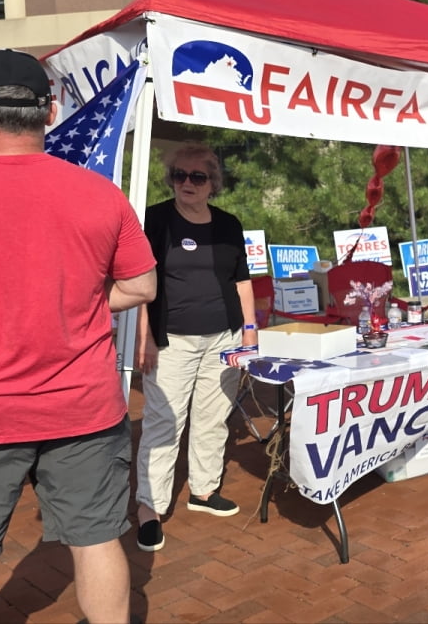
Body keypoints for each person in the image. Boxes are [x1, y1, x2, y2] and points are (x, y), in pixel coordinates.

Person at [0, 49, 157, 624]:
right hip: (83, 406)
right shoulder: (99, 193)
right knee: (99, 540)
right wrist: (77, 301)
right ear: (49, 110)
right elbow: (142, 285)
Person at [134, 143, 257, 552]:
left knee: (212, 417)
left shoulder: (228, 224)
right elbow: (139, 284)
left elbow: (241, 281)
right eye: (179, 176)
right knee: (163, 424)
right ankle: (150, 508)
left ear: (212, 184)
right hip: (172, 340)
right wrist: (144, 337)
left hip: (223, 337)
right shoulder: (153, 221)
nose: (186, 183)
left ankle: (203, 491)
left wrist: (251, 332)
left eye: (197, 176)